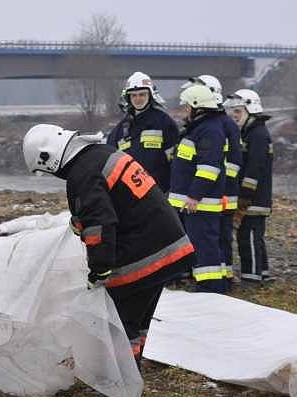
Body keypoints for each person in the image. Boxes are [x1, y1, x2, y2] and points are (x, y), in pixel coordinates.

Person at [23, 124, 194, 374]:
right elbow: (115, 203)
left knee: (120, 323)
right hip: (167, 244)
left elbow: (99, 225)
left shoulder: (83, 173)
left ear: (49, 159)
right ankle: (131, 373)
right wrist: (79, 220)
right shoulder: (101, 154)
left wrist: (99, 269)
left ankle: (122, 380)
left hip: (145, 253)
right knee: (138, 320)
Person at [184, 75, 242, 286]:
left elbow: (232, 161)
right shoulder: (214, 123)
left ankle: (220, 280)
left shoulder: (221, 125)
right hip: (212, 191)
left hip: (217, 193)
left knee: (217, 238)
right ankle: (221, 277)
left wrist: (220, 189)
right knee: (213, 238)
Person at [169, 84, 227, 293]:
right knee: (200, 242)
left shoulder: (209, 131)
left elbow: (209, 168)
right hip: (194, 202)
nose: (184, 111)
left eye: (186, 107)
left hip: (201, 203)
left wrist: (194, 196)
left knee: (205, 244)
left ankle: (211, 287)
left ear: (197, 107)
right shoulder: (200, 129)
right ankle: (207, 284)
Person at [224, 89, 274, 283]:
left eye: (238, 111)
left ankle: (251, 277)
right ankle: (263, 273)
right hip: (254, 197)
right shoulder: (252, 131)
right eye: (234, 111)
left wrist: (244, 197)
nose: (234, 116)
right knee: (255, 237)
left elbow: (254, 169)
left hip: (254, 198)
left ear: (250, 109)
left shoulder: (257, 134)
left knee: (249, 237)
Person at [106, 72, 179, 192]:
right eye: (133, 95)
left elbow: (175, 161)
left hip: (159, 191)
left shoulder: (164, 122)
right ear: (128, 98)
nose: (138, 99)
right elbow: (110, 158)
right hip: (129, 192)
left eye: (142, 95)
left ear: (150, 95)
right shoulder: (122, 127)